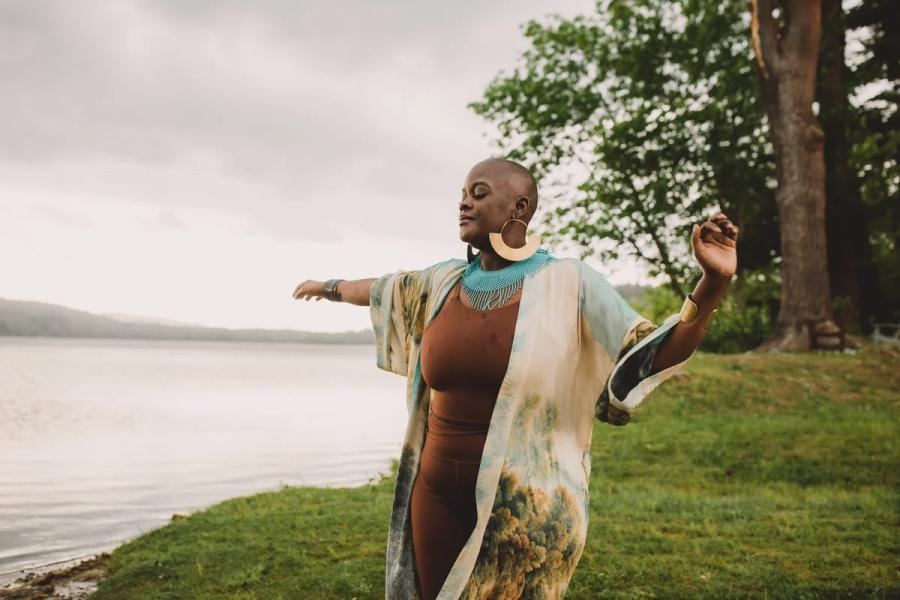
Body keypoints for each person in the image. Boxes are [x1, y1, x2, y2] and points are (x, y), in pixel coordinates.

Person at [293, 158, 738, 600]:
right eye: (463, 196)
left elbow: (649, 351)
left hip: (524, 503)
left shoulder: (569, 283)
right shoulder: (441, 282)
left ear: (519, 207)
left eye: (479, 193)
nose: (465, 203)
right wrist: (329, 286)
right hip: (433, 495)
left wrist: (712, 283)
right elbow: (380, 288)